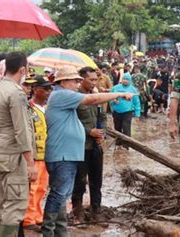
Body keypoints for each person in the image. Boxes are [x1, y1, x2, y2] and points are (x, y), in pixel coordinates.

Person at [42, 66, 133, 236]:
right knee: (59, 194)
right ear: (63, 82)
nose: (77, 84)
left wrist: (101, 132)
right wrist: (118, 94)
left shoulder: (64, 95)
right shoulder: (62, 94)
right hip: (63, 154)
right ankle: (48, 231)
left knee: (62, 195)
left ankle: (60, 232)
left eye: (78, 81)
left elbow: (100, 115)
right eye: (74, 81)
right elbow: (92, 100)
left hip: (69, 153)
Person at [0, 52, 37, 236]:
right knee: (15, 206)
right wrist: (30, 163)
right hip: (13, 156)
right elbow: (22, 130)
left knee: (1, 204)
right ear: (22, 69)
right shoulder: (16, 93)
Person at [71, 67, 107, 224]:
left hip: (96, 146)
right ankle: (77, 212)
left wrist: (102, 133)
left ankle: (96, 211)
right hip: (80, 146)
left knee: (97, 180)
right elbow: (70, 122)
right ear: (81, 80)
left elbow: (103, 117)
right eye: (91, 80)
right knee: (79, 180)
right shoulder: (75, 98)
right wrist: (88, 131)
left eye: (95, 79)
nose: (94, 83)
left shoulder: (96, 96)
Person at [22, 75, 52, 232]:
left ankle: (38, 216)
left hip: (46, 154)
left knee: (41, 188)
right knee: (32, 189)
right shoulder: (28, 108)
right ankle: (28, 219)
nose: (48, 92)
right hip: (33, 156)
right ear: (35, 89)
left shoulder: (47, 108)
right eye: (45, 89)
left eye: (50, 89)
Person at [110, 73, 141, 149]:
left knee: (126, 127)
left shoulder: (133, 90)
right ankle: (118, 144)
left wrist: (137, 114)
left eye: (127, 79)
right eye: (124, 79)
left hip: (128, 112)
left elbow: (136, 102)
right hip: (116, 111)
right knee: (117, 128)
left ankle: (126, 146)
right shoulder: (115, 88)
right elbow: (109, 98)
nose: (125, 81)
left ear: (130, 80)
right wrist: (114, 101)